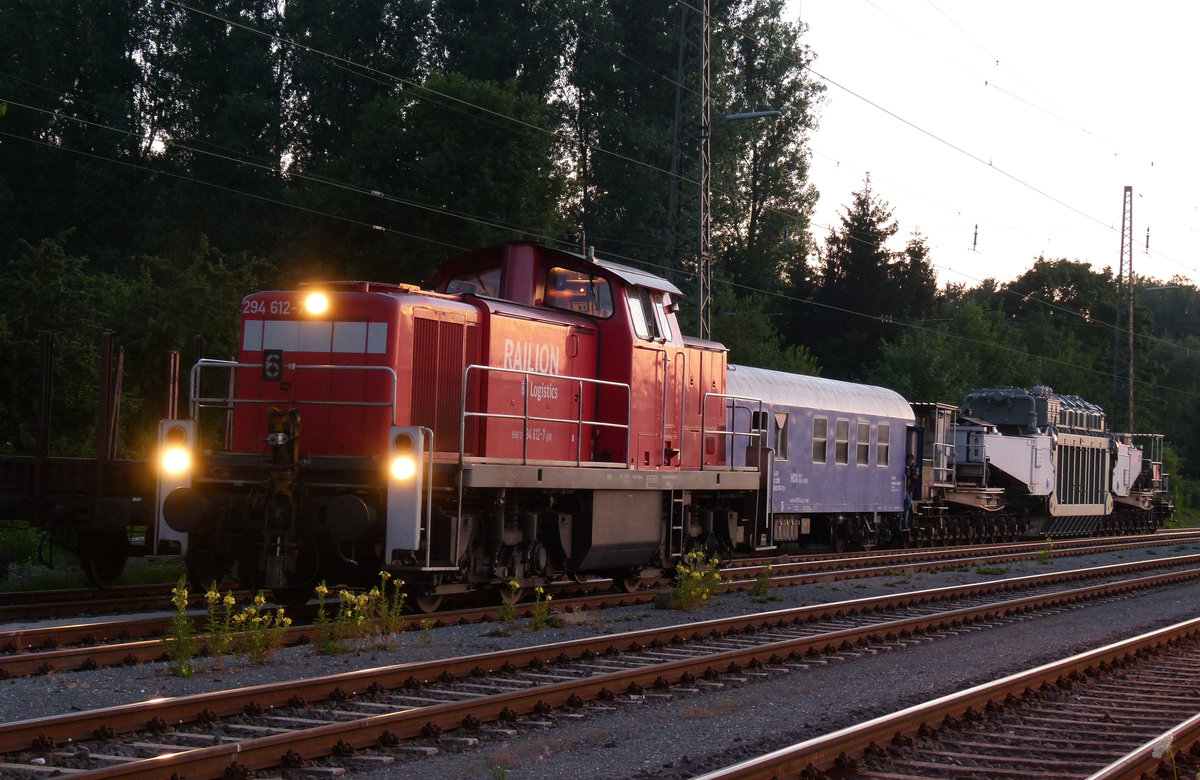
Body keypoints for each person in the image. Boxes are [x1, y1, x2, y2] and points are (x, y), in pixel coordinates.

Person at [903, 454, 918, 530]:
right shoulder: (904, 468)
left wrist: (911, 474)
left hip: (910, 489)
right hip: (904, 488)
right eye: (910, 461)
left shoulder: (913, 469)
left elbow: (915, 478)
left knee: (908, 505)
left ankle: (905, 521)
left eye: (912, 461)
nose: (911, 462)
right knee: (908, 502)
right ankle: (904, 522)